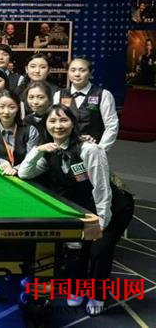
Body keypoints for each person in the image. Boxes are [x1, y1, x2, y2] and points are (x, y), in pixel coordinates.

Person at [18, 105, 134, 315]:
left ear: (73, 123)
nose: (58, 126)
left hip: (114, 208)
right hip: (84, 208)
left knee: (99, 251)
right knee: (78, 250)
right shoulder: (50, 151)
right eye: (52, 121)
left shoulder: (89, 149)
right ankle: (78, 289)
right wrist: (37, 150)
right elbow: (25, 174)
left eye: (64, 120)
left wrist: (100, 224)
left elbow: (102, 189)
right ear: (46, 125)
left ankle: (97, 295)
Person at [53, 57, 118, 152]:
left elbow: (111, 125)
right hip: (65, 148)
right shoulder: (59, 95)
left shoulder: (103, 94)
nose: (77, 74)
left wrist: (100, 149)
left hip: (93, 148)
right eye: (72, 70)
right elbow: (54, 123)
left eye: (82, 70)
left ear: (90, 73)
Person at [0, 90, 32, 176]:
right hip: (1, 174)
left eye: (12, 107)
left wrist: (16, 169)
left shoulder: (30, 130)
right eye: (1, 107)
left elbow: (31, 158)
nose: (6, 112)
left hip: (25, 176)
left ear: (18, 108)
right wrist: (2, 162)